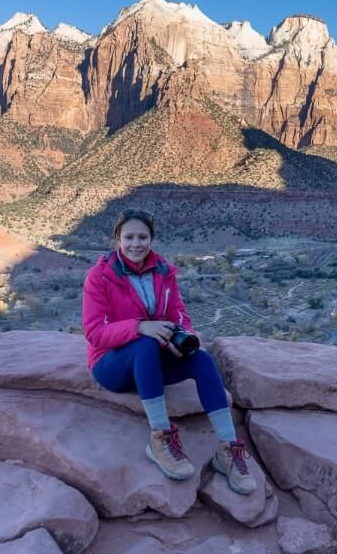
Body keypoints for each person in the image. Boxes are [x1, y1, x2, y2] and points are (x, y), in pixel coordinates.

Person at [82, 208, 257, 494]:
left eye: (142, 237)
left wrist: (182, 337)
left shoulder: (163, 271)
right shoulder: (100, 276)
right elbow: (94, 333)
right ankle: (160, 437)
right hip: (111, 365)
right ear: (117, 238)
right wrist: (140, 327)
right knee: (145, 343)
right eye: (129, 237)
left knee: (200, 359)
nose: (136, 244)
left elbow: (178, 314)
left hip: (150, 360)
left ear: (152, 238)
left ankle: (228, 449)